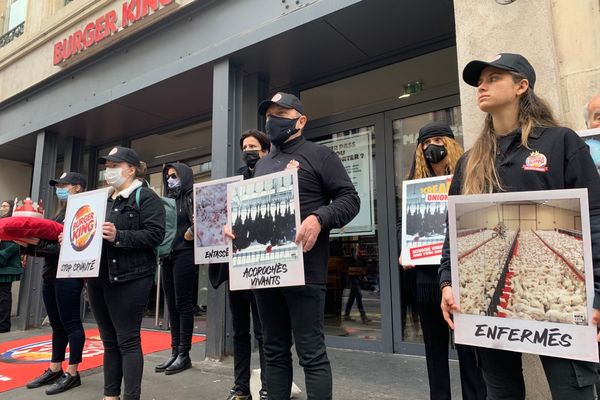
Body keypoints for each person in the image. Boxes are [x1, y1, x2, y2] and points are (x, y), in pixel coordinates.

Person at [439, 53, 600, 399]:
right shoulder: (470, 160)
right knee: (501, 390)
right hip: (486, 309)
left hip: (563, 302)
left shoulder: (561, 142)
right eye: (479, 81)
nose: (481, 86)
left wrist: (597, 292)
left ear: (521, 86)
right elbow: (453, 228)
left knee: (573, 390)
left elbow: (595, 218)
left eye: (494, 78)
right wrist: (447, 281)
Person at [227, 92, 360, 400]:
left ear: (301, 120)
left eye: (282, 113)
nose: (273, 120)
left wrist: (319, 217)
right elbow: (255, 216)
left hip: (305, 271)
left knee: (311, 353)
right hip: (263, 272)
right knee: (273, 350)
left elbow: (350, 200)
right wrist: (236, 228)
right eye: (270, 114)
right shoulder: (262, 166)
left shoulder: (320, 155)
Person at [401, 122, 486, 400]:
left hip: (463, 277)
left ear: (450, 142)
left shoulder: (469, 175)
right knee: (434, 350)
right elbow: (405, 226)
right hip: (425, 279)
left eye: (437, 140)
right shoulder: (414, 183)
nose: (431, 148)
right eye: (425, 144)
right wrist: (405, 249)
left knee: (469, 351)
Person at [86, 147, 165, 400]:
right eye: (107, 165)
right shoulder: (102, 200)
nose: (108, 171)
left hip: (131, 278)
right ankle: (111, 395)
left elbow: (155, 234)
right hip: (99, 278)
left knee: (128, 340)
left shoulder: (146, 197)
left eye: (115, 165)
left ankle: (131, 396)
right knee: (108, 341)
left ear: (131, 169)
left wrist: (120, 236)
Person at [25, 173, 87, 395]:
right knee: (56, 324)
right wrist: (29, 245)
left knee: (71, 323)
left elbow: (72, 247)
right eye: (57, 185)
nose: (59, 188)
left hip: (69, 274)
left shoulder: (83, 211)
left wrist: (37, 243)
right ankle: (55, 368)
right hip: (50, 274)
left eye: (64, 185)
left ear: (78, 188)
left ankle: (72, 373)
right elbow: (52, 246)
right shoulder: (60, 213)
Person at [221, 129, 271, 400]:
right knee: (240, 330)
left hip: (265, 264)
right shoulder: (234, 182)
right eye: (244, 146)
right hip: (236, 264)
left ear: (265, 150)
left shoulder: (274, 176)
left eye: (253, 145)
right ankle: (241, 387)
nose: (247, 150)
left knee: (264, 330)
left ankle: (267, 385)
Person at [155, 161, 195, 375]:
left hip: (185, 253)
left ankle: (184, 354)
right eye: (168, 176)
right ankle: (174, 352)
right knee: (171, 304)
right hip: (167, 255)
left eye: (175, 175)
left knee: (183, 303)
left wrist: (192, 230)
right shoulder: (167, 200)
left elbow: (207, 219)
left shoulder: (192, 196)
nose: (170, 179)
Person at [0, 200, 21, 333]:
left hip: (7, 265)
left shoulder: (16, 222)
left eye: (5, 206)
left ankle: (3, 327)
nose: (2, 208)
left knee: (3, 296)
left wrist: (3, 255)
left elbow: (18, 243)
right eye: (1, 206)